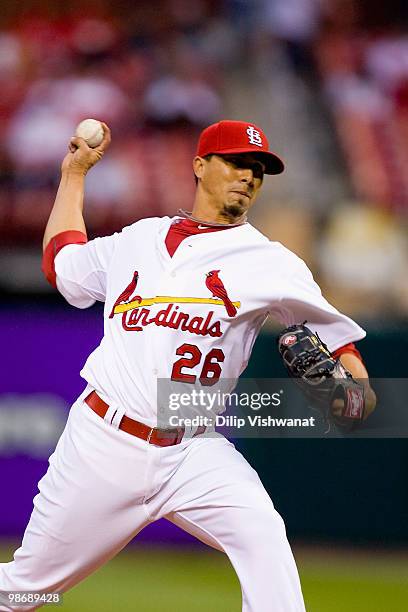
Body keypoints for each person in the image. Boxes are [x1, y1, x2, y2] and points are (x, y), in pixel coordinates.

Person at [0, 120, 376, 611]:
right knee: (27, 590)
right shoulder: (138, 239)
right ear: (200, 166)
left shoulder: (272, 263)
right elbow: (62, 265)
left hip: (194, 452)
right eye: (237, 162)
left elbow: (340, 342)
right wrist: (73, 176)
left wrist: (356, 395)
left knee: (264, 538)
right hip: (103, 444)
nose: (249, 176)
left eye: (258, 169)